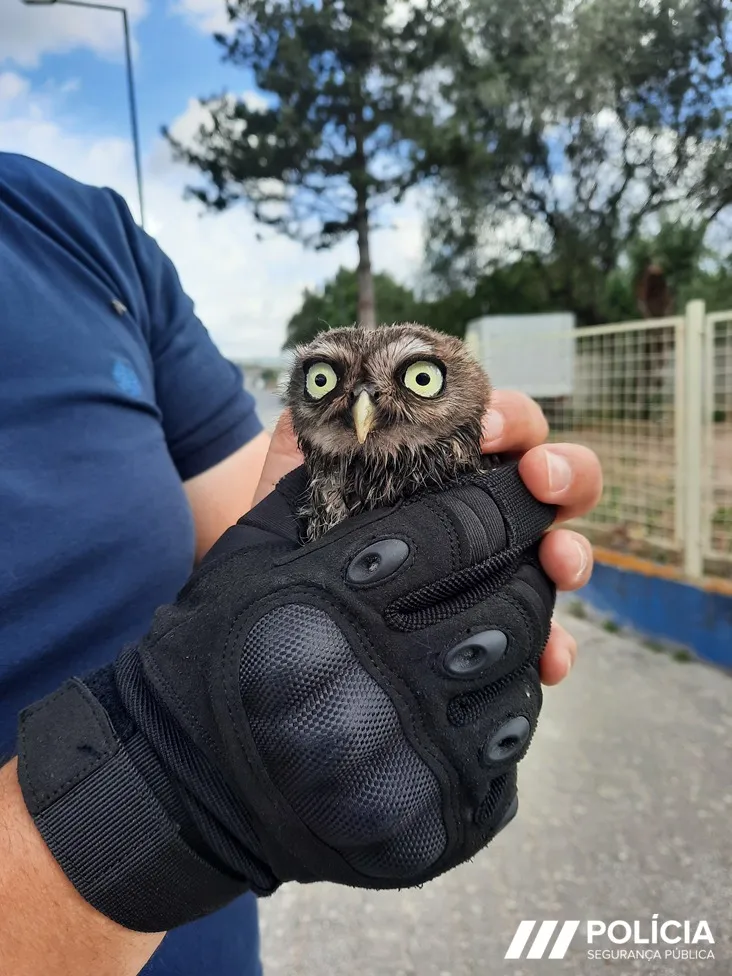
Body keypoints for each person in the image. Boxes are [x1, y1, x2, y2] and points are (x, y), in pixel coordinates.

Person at [0, 152, 602, 976]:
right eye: (329, 382)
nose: (363, 406)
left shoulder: (81, 232)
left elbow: (238, 542)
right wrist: (157, 782)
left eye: (418, 380)